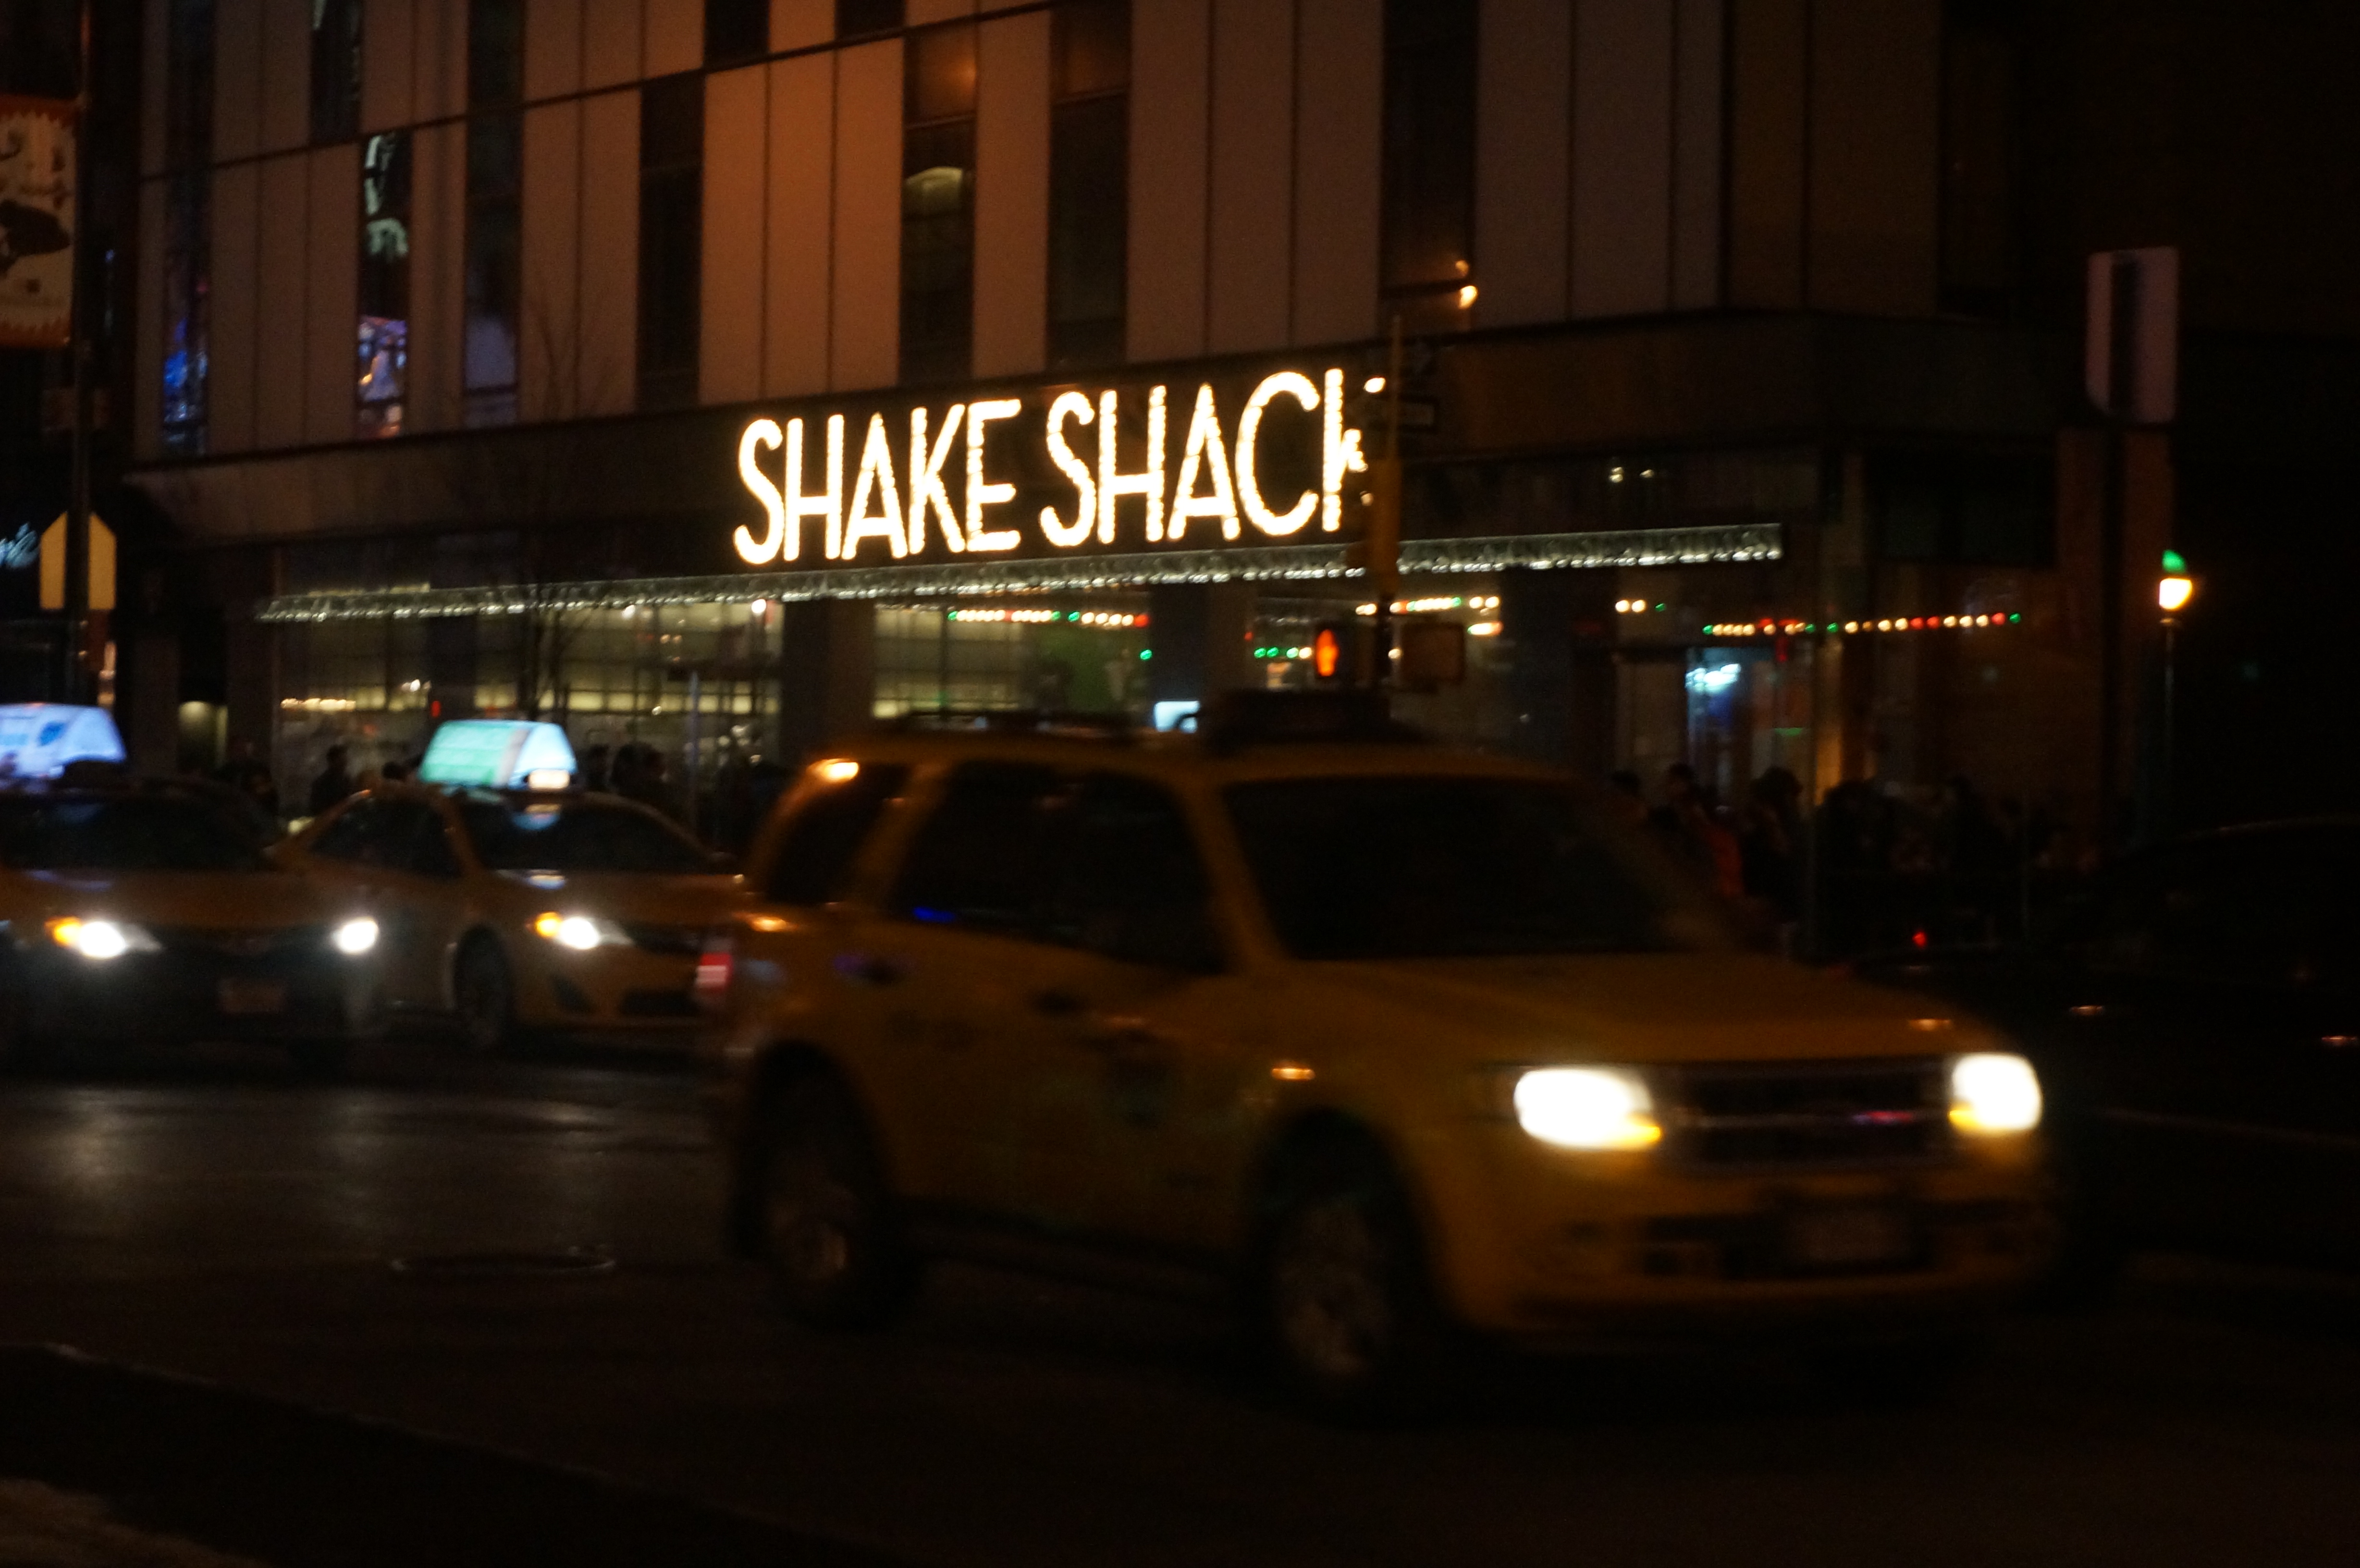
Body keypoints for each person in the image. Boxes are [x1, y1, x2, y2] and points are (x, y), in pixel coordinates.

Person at [214, 736, 279, 820]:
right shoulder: (224, 772)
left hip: (255, 814)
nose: (241, 753)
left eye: (243, 749)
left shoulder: (259, 771)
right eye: (237, 749)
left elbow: (267, 796)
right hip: (230, 816)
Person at [307, 744, 355, 815]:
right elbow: (317, 808)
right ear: (332, 761)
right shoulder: (322, 783)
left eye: (345, 760)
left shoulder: (347, 780)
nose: (345, 763)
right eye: (341, 760)